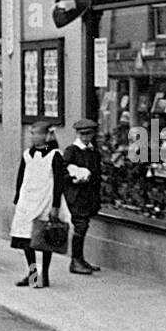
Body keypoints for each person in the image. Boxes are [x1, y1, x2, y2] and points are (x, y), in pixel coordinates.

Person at [10, 119, 70, 289]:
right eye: (31, 133)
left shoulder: (55, 155)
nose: (32, 137)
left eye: (36, 134)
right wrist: (18, 198)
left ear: (45, 136)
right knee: (26, 240)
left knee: (44, 240)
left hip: (45, 200)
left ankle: (45, 275)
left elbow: (59, 182)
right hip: (28, 201)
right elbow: (21, 178)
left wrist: (55, 206)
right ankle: (33, 274)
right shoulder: (27, 154)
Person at [62, 117, 103, 275]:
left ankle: (80, 259)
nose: (86, 138)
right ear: (78, 134)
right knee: (80, 226)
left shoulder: (93, 151)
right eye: (83, 134)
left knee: (84, 225)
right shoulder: (71, 151)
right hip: (77, 195)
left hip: (89, 195)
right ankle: (75, 260)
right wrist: (76, 174)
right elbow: (63, 171)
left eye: (89, 134)